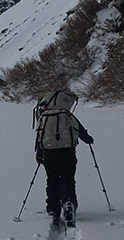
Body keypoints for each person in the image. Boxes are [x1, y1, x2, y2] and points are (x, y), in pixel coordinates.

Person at [33, 90, 93, 228]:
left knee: (52, 179)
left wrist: (39, 154)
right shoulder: (67, 115)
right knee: (68, 178)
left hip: (49, 152)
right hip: (68, 151)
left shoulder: (44, 117)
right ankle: (69, 203)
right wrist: (88, 140)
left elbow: (40, 136)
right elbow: (81, 132)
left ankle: (53, 209)